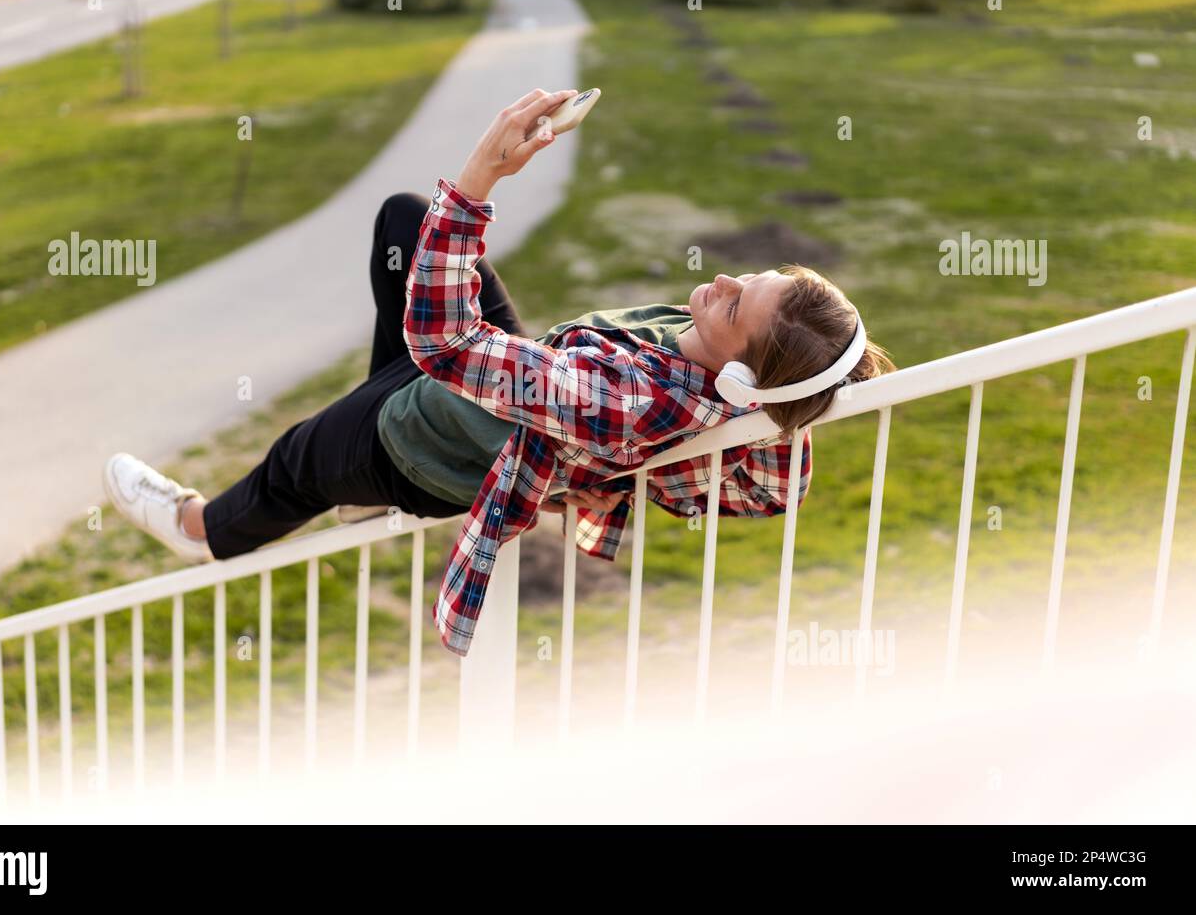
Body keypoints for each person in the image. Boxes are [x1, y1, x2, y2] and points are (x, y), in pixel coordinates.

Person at [104, 88, 895, 656]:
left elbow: (449, 345)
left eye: (733, 311)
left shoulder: (628, 403)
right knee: (404, 220)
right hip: (496, 392)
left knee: (293, 463)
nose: (721, 287)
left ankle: (200, 528)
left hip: (417, 443)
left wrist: (481, 176)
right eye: (746, 280)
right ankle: (354, 483)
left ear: (739, 384)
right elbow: (772, 481)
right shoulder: (710, 377)